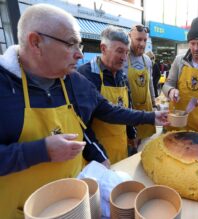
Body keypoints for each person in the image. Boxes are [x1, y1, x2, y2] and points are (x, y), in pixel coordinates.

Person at [0, 4, 168, 218]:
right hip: (19, 210)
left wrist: (151, 116)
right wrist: (41, 150)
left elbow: (109, 111)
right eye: (71, 44)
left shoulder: (72, 82)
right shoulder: (4, 85)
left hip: (74, 202)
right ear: (36, 42)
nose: (80, 55)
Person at [78, 27, 138, 164]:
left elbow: (127, 108)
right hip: (97, 157)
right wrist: (98, 156)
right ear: (103, 48)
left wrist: (132, 134)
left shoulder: (122, 76)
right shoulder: (85, 75)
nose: (124, 57)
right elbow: (81, 125)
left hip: (121, 148)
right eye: (119, 51)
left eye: (127, 52)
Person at [123, 24, 156, 143]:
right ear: (129, 38)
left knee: (145, 145)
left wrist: (154, 101)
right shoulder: (123, 58)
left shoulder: (147, 60)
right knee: (131, 146)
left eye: (145, 40)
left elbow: (150, 82)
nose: (142, 44)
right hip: (129, 112)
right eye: (138, 39)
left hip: (146, 109)